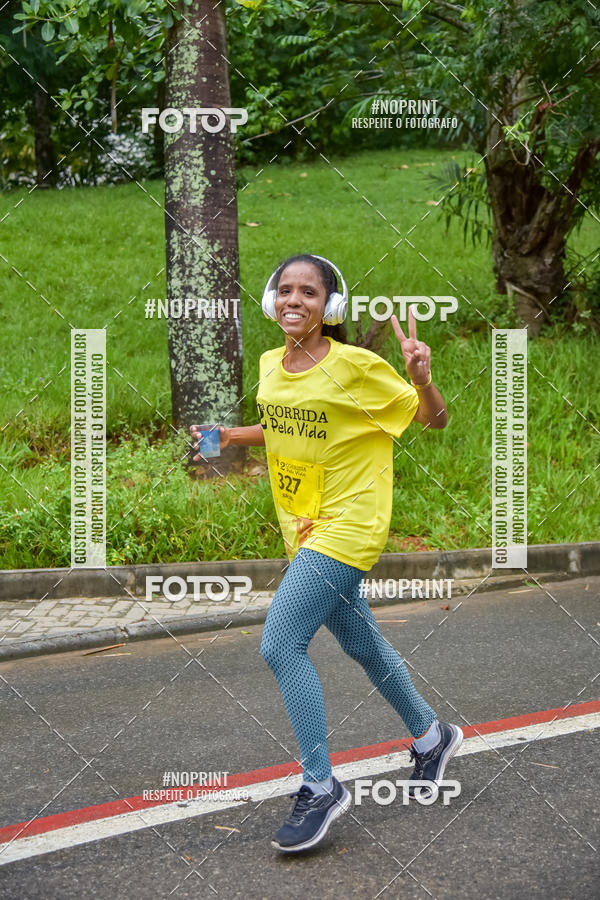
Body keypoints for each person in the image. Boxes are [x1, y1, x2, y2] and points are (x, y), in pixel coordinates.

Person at [190, 253, 463, 854]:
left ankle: (320, 784)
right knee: (361, 640)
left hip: (350, 524)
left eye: (308, 293)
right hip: (303, 525)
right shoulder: (272, 363)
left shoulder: (357, 367)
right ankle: (430, 736)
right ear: (270, 300)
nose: (294, 300)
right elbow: (289, 422)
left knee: (280, 643)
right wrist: (232, 435)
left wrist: (420, 377)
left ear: (329, 306)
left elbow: (435, 420)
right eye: (284, 290)